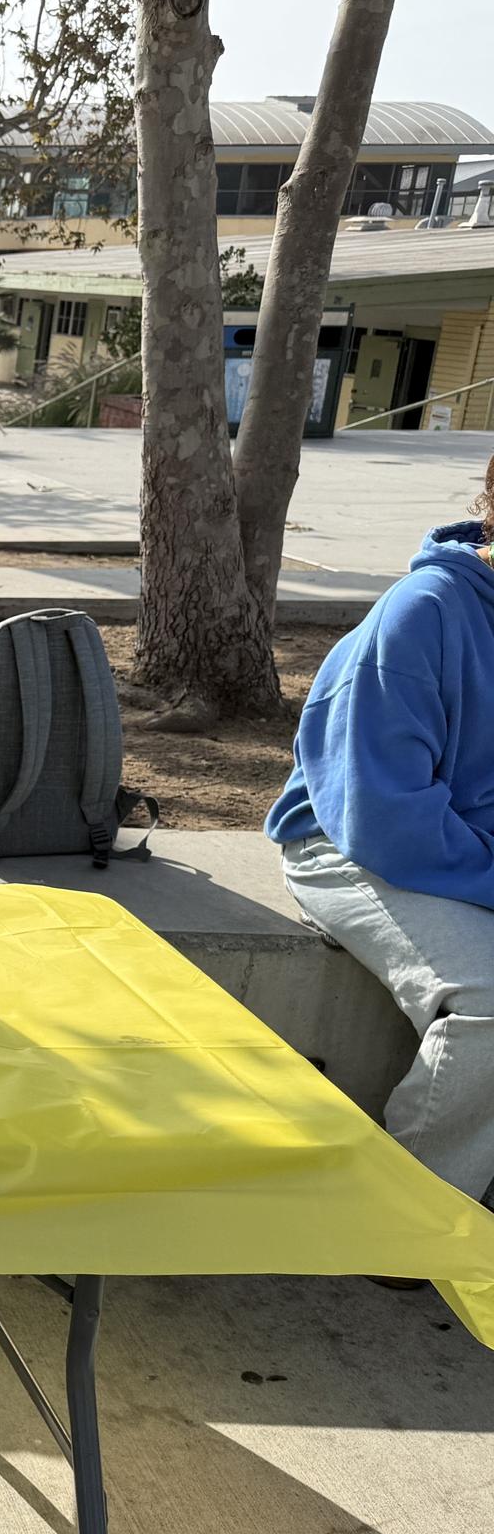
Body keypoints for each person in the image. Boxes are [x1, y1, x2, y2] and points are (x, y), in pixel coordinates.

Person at [266, 465, 494, 1213]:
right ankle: (406, 1220)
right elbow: (381, 815)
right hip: (346, 846)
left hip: (465, 852)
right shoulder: (424, 612)